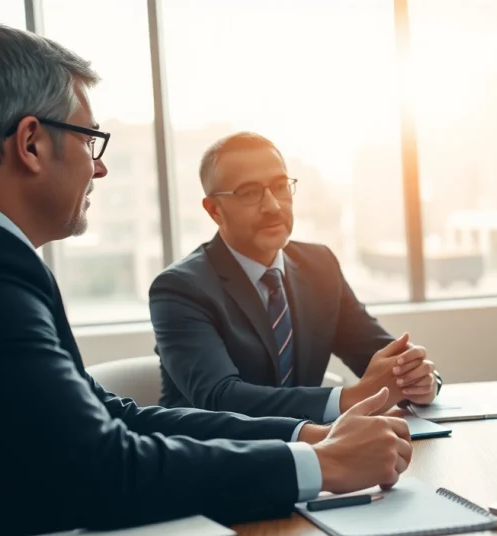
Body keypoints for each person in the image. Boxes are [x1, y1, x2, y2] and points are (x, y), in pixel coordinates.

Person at [0, 26, 412, 536]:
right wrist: (323, 469)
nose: (99, 165)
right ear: (30, 143)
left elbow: (110, 415)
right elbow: (100, 469)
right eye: (88, 139)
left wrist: (305, 437)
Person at [148, 132, 441, 423]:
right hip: (214, 458)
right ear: (214, 210)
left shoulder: (319, 265)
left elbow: (384, 357)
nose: (273, 206)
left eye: (280, 187)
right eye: (249, 193)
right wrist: (353, 397)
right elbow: (220, 398)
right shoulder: (179, 289)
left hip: (318, 452)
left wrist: (420, 380)